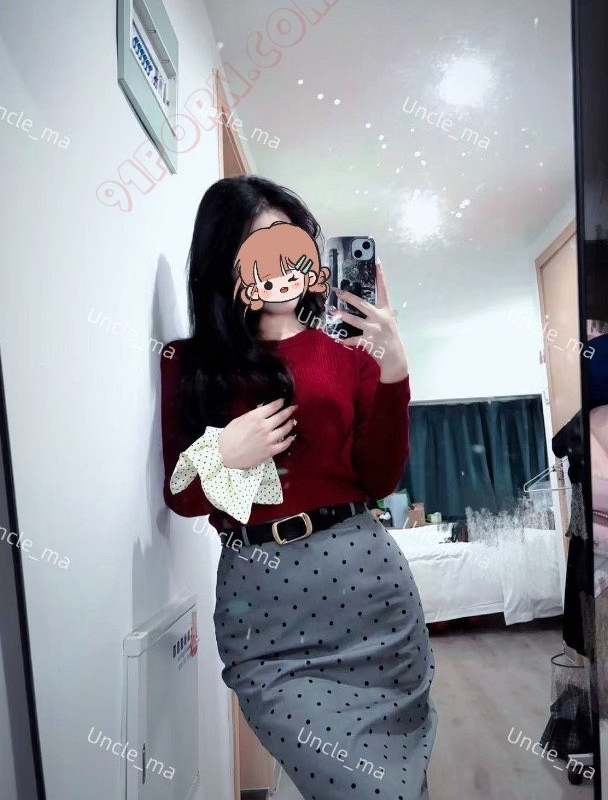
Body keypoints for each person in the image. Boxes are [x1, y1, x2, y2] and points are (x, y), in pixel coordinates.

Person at [161, 176, 436, 799]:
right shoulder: (188, 363)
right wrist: (221, 455)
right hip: (264, 614)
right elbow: (182, 496)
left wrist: (394, 369)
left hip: (369, 590)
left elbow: (381, 477)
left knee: (400, 783)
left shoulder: (349, 356)